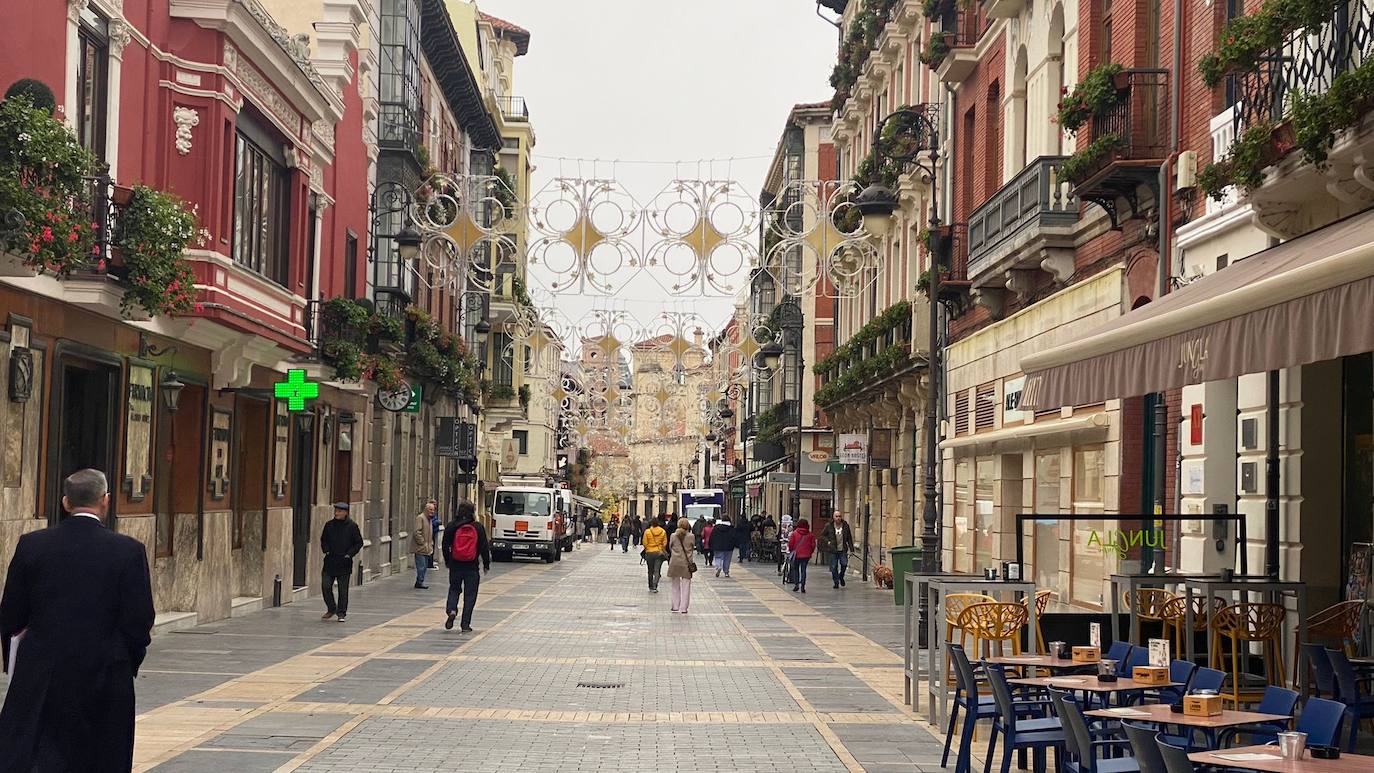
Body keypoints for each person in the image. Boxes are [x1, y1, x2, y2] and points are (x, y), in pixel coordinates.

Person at [0, 469, 155, 773]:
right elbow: (139, 620)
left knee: (39, 753)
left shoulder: (32, 545)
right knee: (101, 754)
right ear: (105, 501)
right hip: (106, 673)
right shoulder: (128, 551)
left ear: (65, 502)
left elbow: (11, 614)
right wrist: (124, 661)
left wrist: (21, 660)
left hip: (43, 671)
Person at [442, 501, 490, 633]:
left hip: (455, 565)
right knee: (470, 595)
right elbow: (484, 547)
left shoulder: (452, 526)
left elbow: (445, 545)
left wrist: (448, 561)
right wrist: (486, 564)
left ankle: (451, 609)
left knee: (454, 589)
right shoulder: (478, 527)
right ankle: (465, 624)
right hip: (472, 566)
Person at [320, 502, 363, 621]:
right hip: (330, 561)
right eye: (336, 511)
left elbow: (359, 542)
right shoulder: (329, 525)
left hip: (344, 562)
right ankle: (331, 608)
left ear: (345, 513)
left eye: (339, 511)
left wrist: (349, 554)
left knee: (343, 590)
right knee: (326, 586)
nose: (336, 513)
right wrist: (326, 550)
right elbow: (323, 539)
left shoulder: (352, 526)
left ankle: (341, 613)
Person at [820, 510, 856, 589]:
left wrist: (852, 549)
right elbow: (822, 536)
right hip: (833, 549)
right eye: (836, 516)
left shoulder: (845, 525)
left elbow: (849, 538)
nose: (838, 518)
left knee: (844, 564)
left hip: (842, 549)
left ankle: (841, 576)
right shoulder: (829, 525)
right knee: (833, 567)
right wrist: (828, 542)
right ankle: (836, 582)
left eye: (839, 516)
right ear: (833, 517)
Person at [666, 517, 696, 614]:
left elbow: (670, 547)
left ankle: (675, 606)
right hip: (686, 564)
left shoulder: (673, 536)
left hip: (675, 562)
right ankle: (683, 608)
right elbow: (692, 548)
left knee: (675, 585)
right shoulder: (691, 536)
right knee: (686, 586)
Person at [788, 518, 817, 593]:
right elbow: (813, 545)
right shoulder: (810, 534)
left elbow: (790, 544)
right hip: (806, 555)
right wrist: (810, 552)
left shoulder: (794, 533)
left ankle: (796, 584)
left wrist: (792, 551)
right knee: (803, 570)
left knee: (796, 569)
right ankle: (803, 586)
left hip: (796, 555)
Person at [413, 499, 436, 589]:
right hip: (421, 548)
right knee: (421, 566)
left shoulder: (429, 519)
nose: (432, 511)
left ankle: (420, 581)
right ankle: (419, 581)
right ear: (426, 510)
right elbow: (417, 532)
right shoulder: (421, 518)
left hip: (427, 547)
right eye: (430, 510)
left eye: (433, 510)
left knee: (425, 565)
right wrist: (422, 543)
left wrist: (430, 544)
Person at [641, 516, 668, 592]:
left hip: (649, 552)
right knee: (657, 570)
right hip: (659, 553)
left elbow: (645, 543)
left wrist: (648, 547)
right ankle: (655, 585)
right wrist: (661, 548)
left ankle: (650, 586)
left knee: (650, 570)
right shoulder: (663, 531)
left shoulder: (647, 532)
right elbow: (665, 542)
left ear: (651, 523)